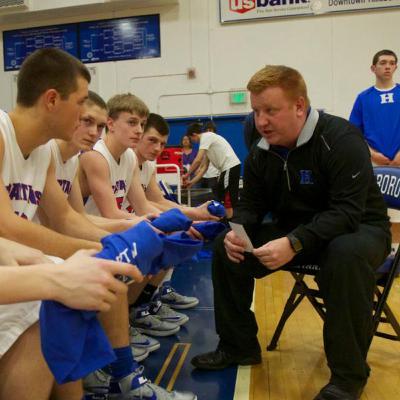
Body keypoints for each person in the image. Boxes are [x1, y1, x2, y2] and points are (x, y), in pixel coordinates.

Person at [191, 65, 391, 400]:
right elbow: (250, 205)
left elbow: (346, 212)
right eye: (256, 111)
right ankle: (238, 346)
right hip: (296, 231)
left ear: (299, 106)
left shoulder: (341, 139)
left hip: (360, 229)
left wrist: (294, 243)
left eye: (270, 110)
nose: (261, 121)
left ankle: (347, 378)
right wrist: (237, 231)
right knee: (226, 250)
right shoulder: (261, 152)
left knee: (344, 256)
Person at [0, 48, 145, 400]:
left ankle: (109, 376)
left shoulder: (41, 152)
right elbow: (7, 226)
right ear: (52, 99)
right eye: (80, 102)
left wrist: (118, 243)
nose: (86, 115)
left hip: (14, 259)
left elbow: (66, 217)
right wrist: (101, 250)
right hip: (10, 259)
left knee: (86, 284)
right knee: (48, 308)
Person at [349, 49, 400, 166]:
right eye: (383, 63)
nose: (388, 67)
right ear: (373, 68)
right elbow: (353, 132)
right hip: (374, 162)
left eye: (392, 63)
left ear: (395, 68)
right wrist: (371, 154)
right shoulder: (363, 98)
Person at [183, 122, 241, 219]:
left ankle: (230, 222)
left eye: (191, 139)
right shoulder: (207, 145)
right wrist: (191, 182)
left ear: (193, 135)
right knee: (220, 194)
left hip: (230, 166)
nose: (193, 141)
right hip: (227, 168)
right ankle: (228, 219)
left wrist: (187, 175)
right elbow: (204, 169)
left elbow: (197, 160)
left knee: (227, 196)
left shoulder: (206, 137)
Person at [199, 120, 220, 197]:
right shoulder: (204, 142)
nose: (208, 132)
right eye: (206, 130)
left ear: (214, 131)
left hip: (214, 175)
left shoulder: (217, 142)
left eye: (210, 130)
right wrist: (200, 169)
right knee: (203, 197)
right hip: (204, 175)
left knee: (214, 197)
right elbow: (203, 158)